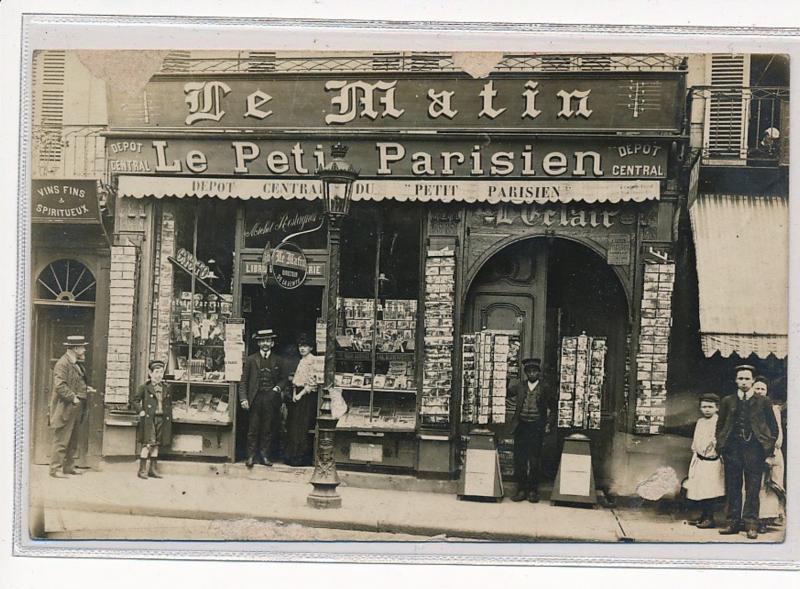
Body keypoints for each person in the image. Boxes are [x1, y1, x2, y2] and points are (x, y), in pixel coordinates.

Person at [715, 364, 778, 539]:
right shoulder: (728, 401)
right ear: (736, 380)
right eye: (740, 378)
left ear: (753, 380)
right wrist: (721, 445)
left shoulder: (763, 401)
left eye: (747, 379)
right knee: (733, 487)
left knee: (752, 488)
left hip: (755, 451)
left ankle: (751, 525)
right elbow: (720, 425)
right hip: (732, 450)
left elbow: (773, 428)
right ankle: (733, 523)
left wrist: (768, 449)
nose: (744, 382)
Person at [239, 329, 288, 468]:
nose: (265, 343)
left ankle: (265, 456)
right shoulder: (250, 359)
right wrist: (243, 399)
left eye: (268, 341)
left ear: (272, 343)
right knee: (253, 428)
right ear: (259, 343)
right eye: (262, 341)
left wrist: (276, 389)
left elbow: (284, 380)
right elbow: (243, 382)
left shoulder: (278, 360)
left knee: (267, 428)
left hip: (271, 399)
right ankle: (250, 456)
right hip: (255, 398)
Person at [508, 358, 554, 503]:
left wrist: (548, 424)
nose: (532, 373)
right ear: (526, 373)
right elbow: (506, 393)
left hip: (536, 426)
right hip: (521, 426)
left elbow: (553, 407)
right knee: (520, 459)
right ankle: (521, 489)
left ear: (538, 372)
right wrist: (506, 378)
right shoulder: (520, 387)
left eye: (535, 371)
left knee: (534, 459)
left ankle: (533, 491)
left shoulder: (545, 387)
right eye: (529, 371)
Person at [48, 335, 94, 478]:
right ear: (75, 348)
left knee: (73, 438)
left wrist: (85, 389)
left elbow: (75, 382)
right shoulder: (62, 364)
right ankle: (54, 470)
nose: (84, 349)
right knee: (62, 439)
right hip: (66, 407)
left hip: (76, 407)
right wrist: (73, 397)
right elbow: (60, 386)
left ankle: (68, 467)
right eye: (82, 347)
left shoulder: (75, 363)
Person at [683, 393, 725, 528]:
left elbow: (716, 441)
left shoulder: (718, 422)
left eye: (710, 407)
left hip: (712, 461)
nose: (707, 409)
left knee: (710, 490)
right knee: (700, 488)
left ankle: (710, 517)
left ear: (717, 408)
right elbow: (696, 441)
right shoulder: (701, 422)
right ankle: (704, 515)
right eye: (704, 407)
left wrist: (711, 450)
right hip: (700, 460)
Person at [753, 377, 785, 534]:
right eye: (756, 388)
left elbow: (777, 434)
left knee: (768, 487)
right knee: (754, 486)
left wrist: (770, 453)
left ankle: (765, 520)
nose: (759, 392)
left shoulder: (773, 410)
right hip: (753, 453)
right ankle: (751, 519)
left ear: (767, 392)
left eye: (762, 389)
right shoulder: (749, 407)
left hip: (770, 452)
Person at [132, 360, 172, 479]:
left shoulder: (166, 388)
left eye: (161, 372)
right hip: (150, 420)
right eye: (156, 372)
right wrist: (141, 411)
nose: (159, 375)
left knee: (156, 444)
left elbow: (169, 404)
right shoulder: (144, 387)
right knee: (148, 444)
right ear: (150, 373)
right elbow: (134, 400)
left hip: (162, 419)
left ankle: (152, 470)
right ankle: (142, 470)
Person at [284, 334, 318, 466]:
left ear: (311, 347)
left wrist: (300, 394)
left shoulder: (312, 361)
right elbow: (296, 380)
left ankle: (300, 457)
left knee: (301, 426)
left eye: (305, 346)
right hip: (297, 393)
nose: (302, 348)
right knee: (294, 425)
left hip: (305, 396)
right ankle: (292, 456)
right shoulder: (302, 360)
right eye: (300, 346)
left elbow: (312, 383)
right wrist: (294, 393)